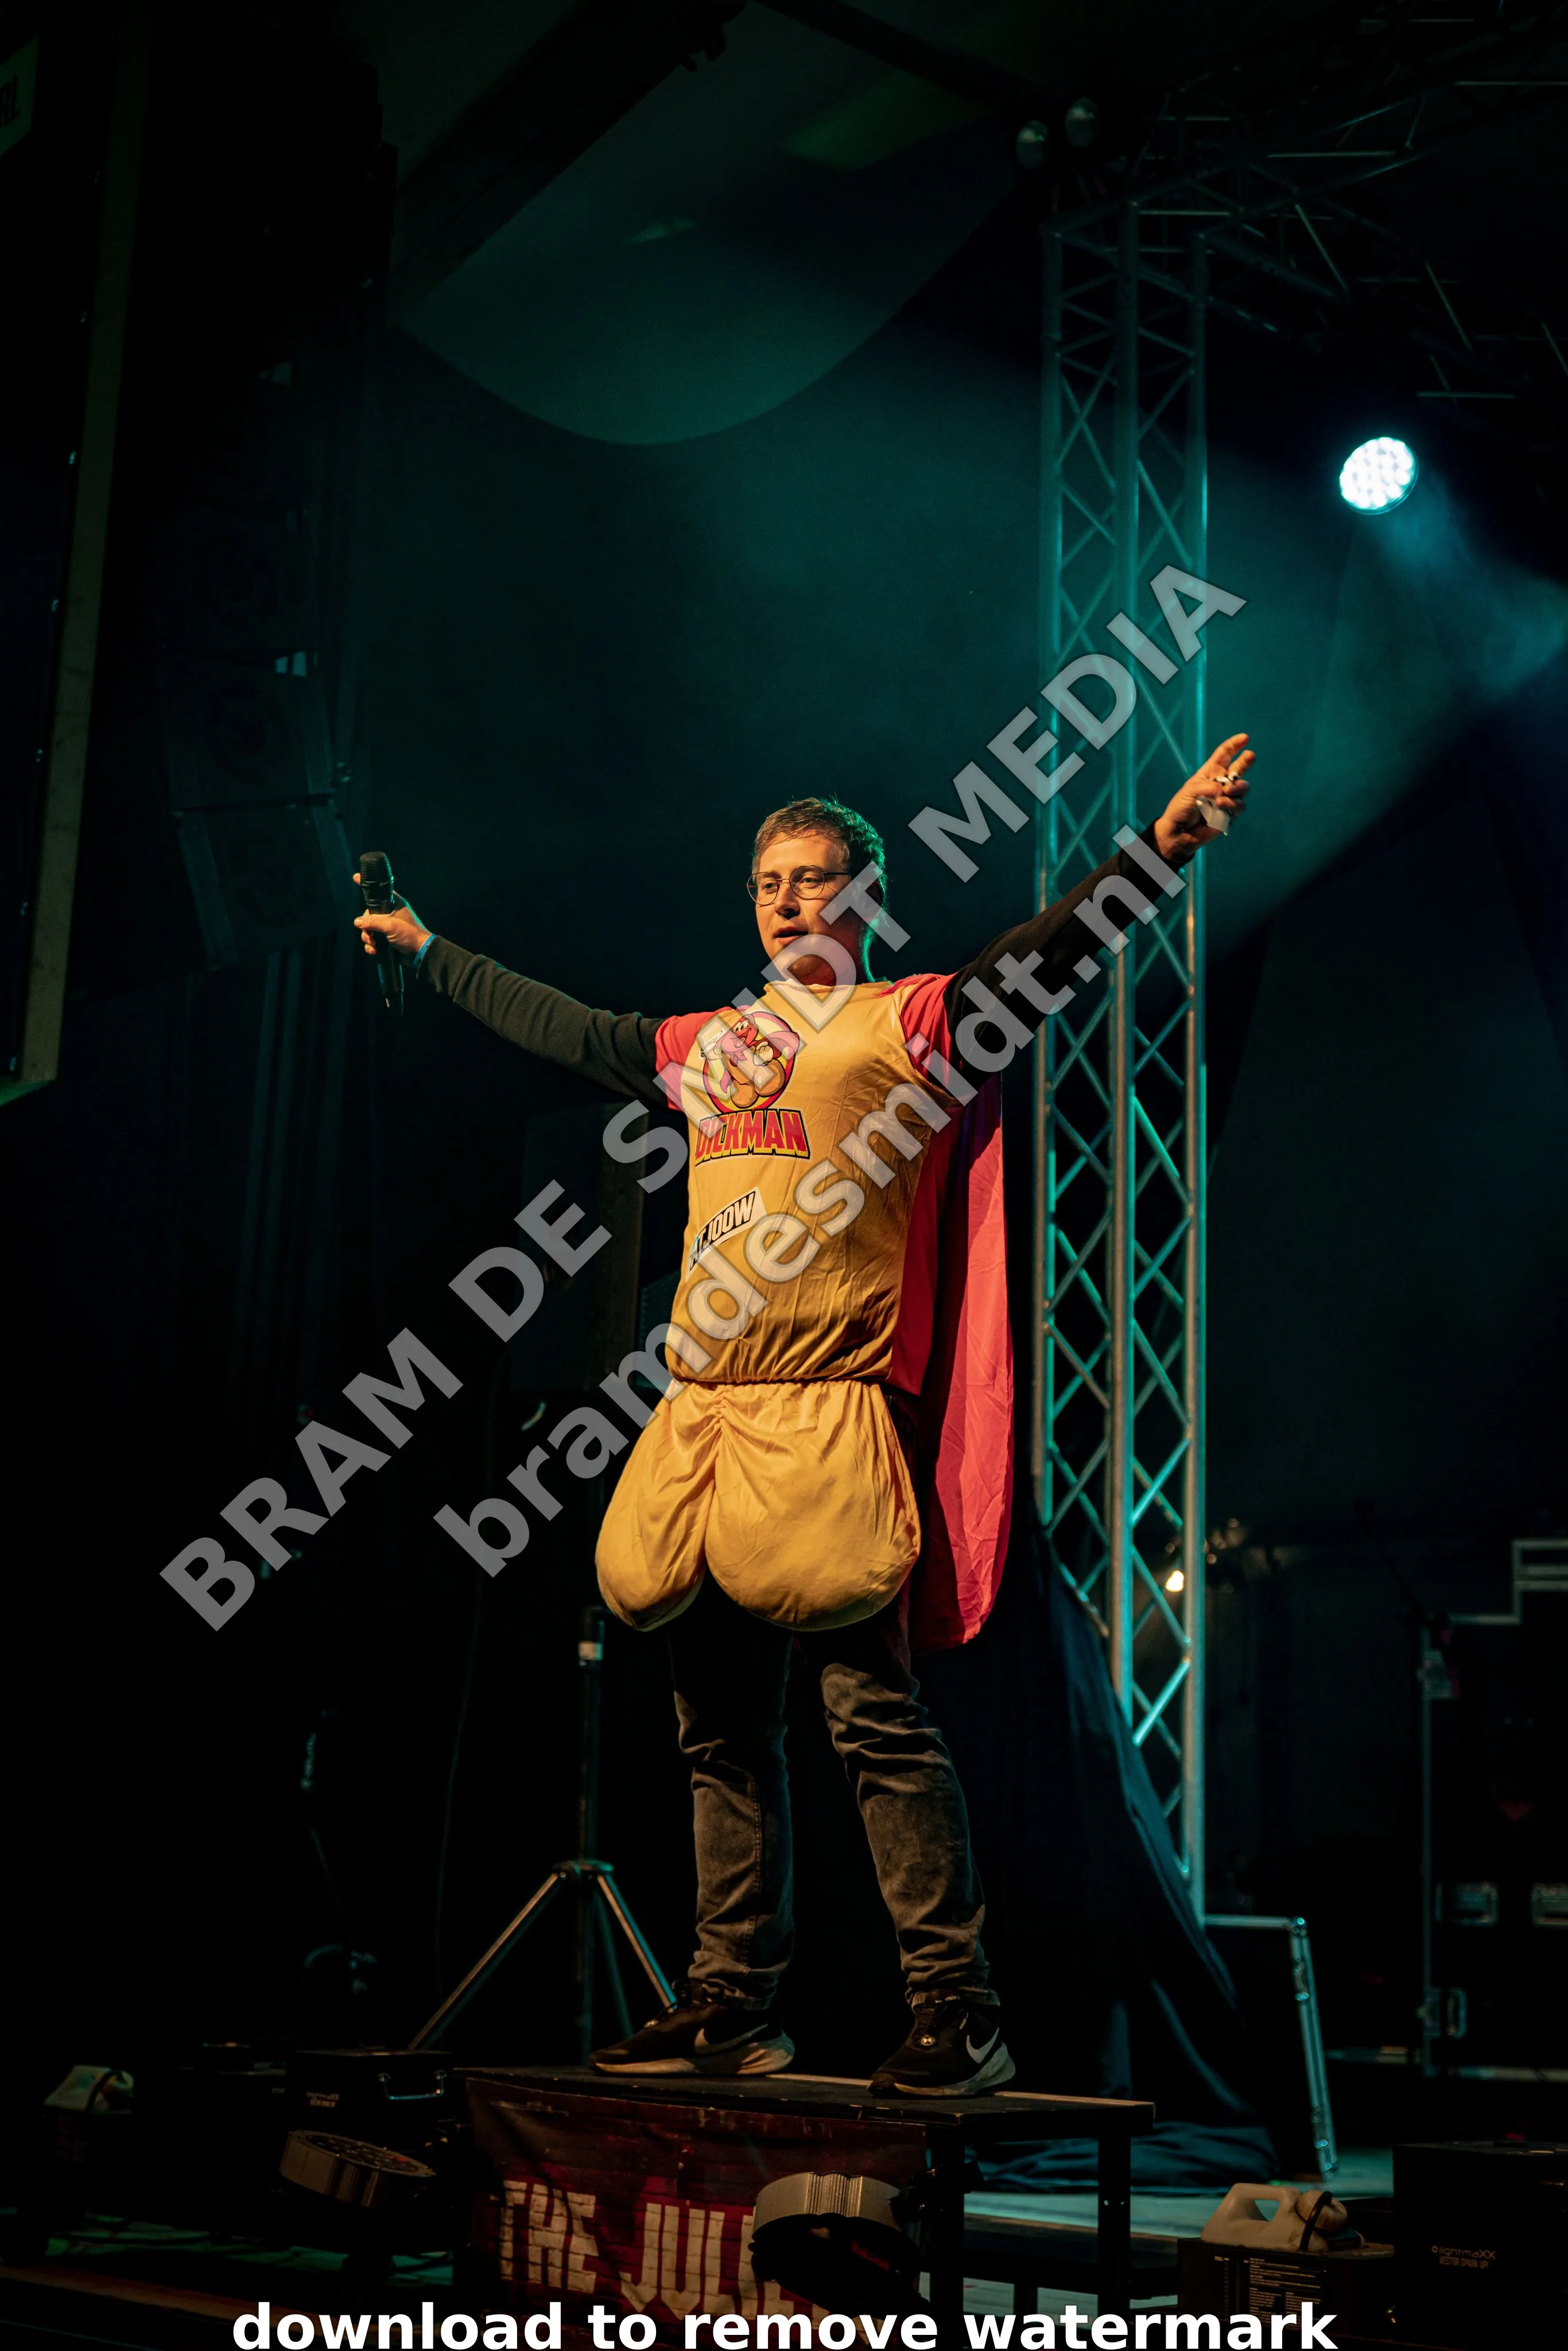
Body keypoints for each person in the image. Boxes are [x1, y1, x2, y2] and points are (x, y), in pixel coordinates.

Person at [355, 735, 1252, 2093]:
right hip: (707, 1422)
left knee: (873, 1720)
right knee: (716, 1729)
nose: (786, 901)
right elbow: (568, 1025)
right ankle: (731, 2001)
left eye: (814, 877)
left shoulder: (909, 1020)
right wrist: (429, 950)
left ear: (866, 893)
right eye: (769, 882)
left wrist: (1162, 847)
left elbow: (1043, 954)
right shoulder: (708, 1046)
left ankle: (957, 2009)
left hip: (831, 1418)